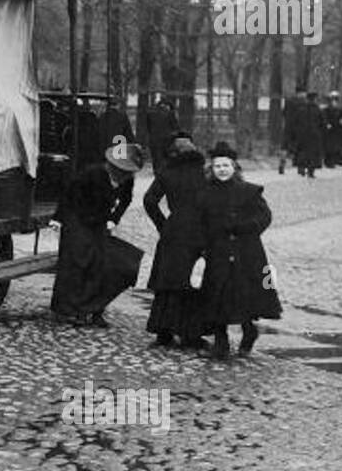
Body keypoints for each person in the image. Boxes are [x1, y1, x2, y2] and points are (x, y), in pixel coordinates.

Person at [195, 142, 282, 360]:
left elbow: (264, 216)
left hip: (247, 252)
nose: (222, 170)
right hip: (218, 251)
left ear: (234, 167)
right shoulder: (205, 195)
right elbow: (200, 223)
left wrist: (245, 228)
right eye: (217, 166)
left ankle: (249, 331)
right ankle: (221, 343)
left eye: (226, 165)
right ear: (211, 170)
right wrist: (203, 246)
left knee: (244, 294)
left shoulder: (249, 192)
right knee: (217, 295)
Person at [49, 142, 145, 327]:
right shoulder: (91, 174)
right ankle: (65, 311)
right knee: (76, 262)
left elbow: (126, 199)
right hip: (77, 219)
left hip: (99, 222)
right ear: (112, 166)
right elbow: (69, 194)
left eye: (128, 171)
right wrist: (58, 218)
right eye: (121, 169)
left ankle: (92, 309)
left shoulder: (127, 180)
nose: (124, 175)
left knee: (102, 263)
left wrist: (113, 219)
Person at [142, 131, 208, 351]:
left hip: (175, 229)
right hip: (200, 230)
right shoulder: (204, 172)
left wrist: (164, 225)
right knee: (193, 280)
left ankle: (164, 332)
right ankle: (191, 333)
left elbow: (150, 200)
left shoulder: (167, 171)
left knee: (168, 282)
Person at [292, 91, 324, 177]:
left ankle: (301, 167)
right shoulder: (317, 110)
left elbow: (295, 122)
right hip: (314, 135)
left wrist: (297, 132)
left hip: (302, 135)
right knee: (312, 154)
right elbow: (322, 123)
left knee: (302, 152)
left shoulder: (301, 109)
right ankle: (311, 171)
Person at [145, 97, 179, 171]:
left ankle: (157, 173)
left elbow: (148, 127)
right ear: (167, 106)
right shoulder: (170, 114)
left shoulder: (150, 113)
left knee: (156, 160)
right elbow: (176, 128)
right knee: (164, 160)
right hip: (166, 141)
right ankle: (163, 175)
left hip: (153, 141)